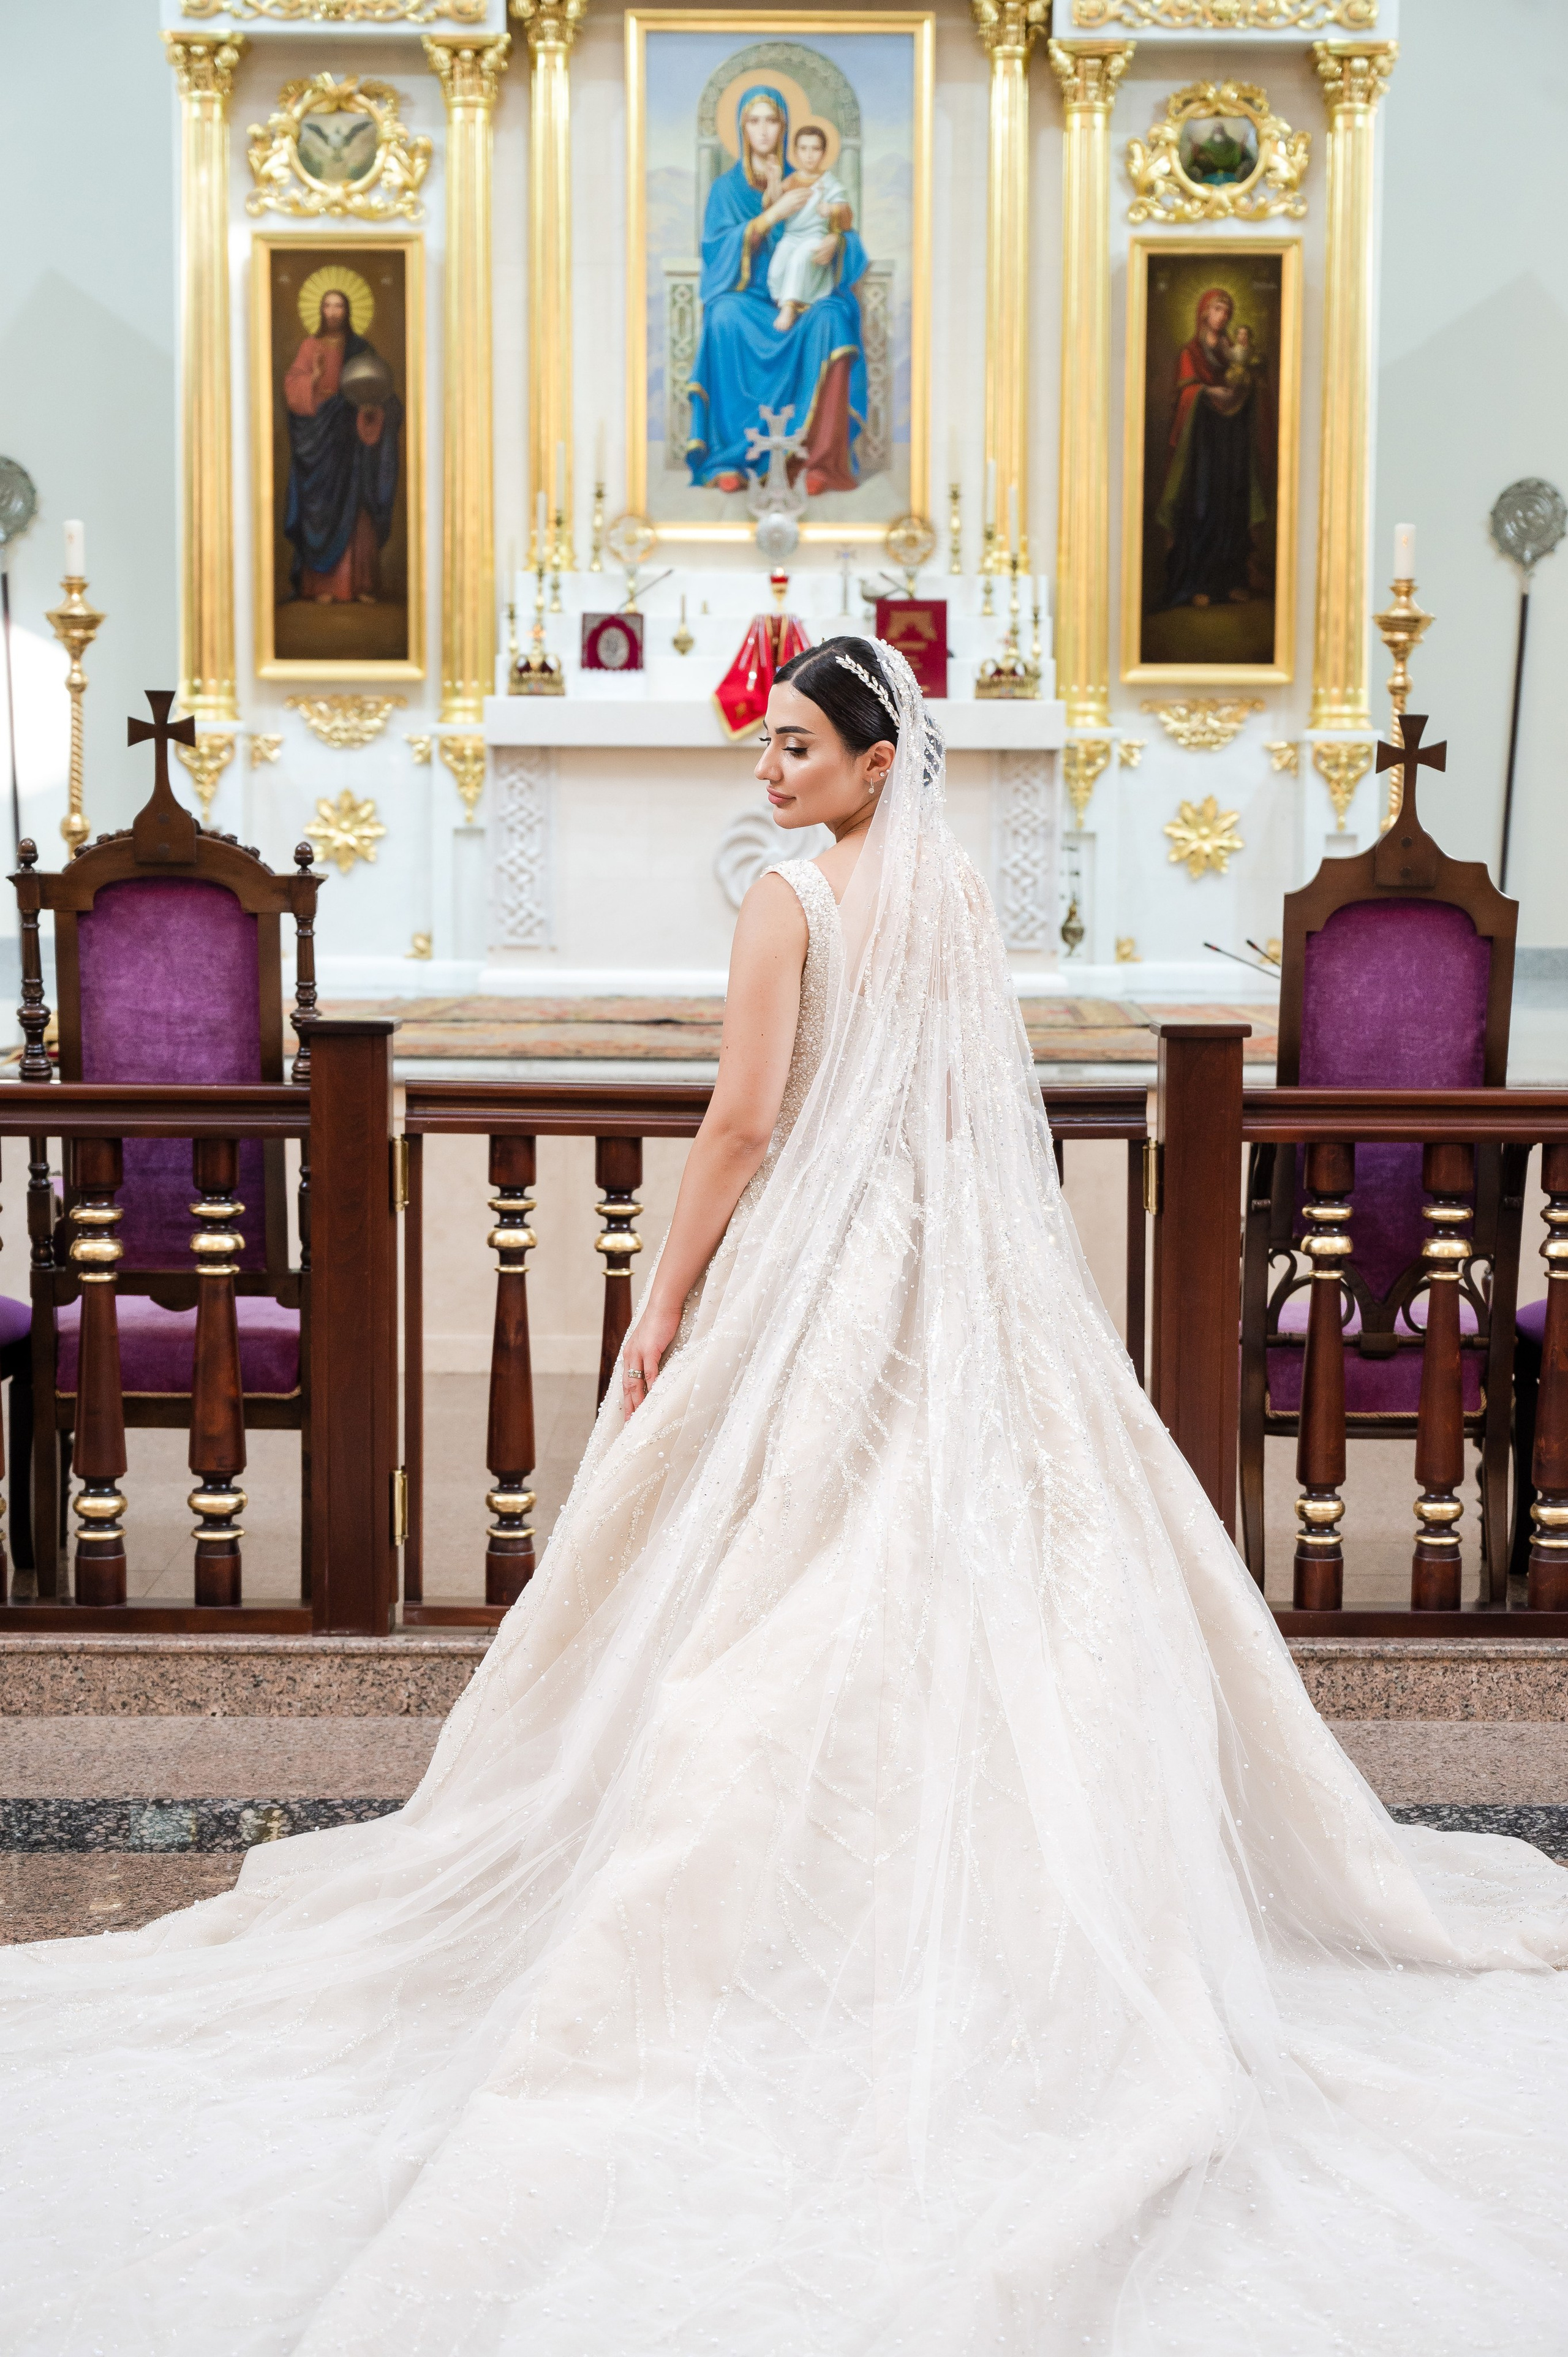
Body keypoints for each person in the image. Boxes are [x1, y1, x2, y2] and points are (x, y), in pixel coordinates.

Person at [4, 639, 1568, 2353]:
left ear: (880, 760)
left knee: (773, 1574)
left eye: (799, 744)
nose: (767, 770)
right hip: (965, 1262)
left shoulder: (790, 906)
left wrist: (667, 1300)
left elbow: (743, 1125)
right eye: (764, 743)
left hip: (830, 1255)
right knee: (990, 1563)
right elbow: (986, 1112)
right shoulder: (961, 896)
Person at [686, 88, 868, 496]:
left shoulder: (807, 180)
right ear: (742, 128)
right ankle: (733, 457)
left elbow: (848, 236)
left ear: (784, 128)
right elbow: (716, 250)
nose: (764, 130)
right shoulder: (725, 190)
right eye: (755, 121)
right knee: (723, 316)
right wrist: (770, 217)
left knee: (833, 319)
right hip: (748, 297)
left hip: (804, 296)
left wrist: (836, 245)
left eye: (772, 121)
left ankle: (818, 462)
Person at [281, 285, 402, 606]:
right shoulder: (310, 346)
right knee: (322, 509)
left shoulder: (361, 349)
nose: (333, 313)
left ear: (348, 311)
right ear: (321, 311)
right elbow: (293, 389)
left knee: (357, 506)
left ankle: (359, 584)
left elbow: (378, 387)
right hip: (322, 437)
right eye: (328, 306)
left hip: (352, 439)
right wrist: (314, 378)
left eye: (339, 307)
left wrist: (372, 406)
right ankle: (324, 586)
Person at [1154, 284, 1268, 611]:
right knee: (1201, 507)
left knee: (1230, 506)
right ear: (1205, 312)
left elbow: (1242, 382)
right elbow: (1186, 396)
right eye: (1218, 309)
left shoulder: (1232, 350)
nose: (1223, 316)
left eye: (1227, 311)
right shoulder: (1190, 352)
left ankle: (1229, 581)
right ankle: (1196, 583)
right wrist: (1208, 393)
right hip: (1200, 446)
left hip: (1229, 443)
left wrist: (1241, 390)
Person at [766, 123, 853, 331]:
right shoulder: (792, 180)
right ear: (796, 152)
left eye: (815, 149)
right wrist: (774, 180)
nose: (809, 155)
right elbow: (773, 204)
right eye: (804, 149)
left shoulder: (830, 183)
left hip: (815, 237)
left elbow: (846, 213)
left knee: (799, 259)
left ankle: (789, 307)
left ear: (823, 153)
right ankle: (783, 300)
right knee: (779, 264)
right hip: (791, 236)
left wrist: (831, 209)